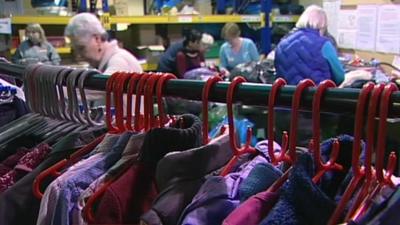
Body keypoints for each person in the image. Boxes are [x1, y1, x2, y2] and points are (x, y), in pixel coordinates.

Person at [274, 5, 344, 85]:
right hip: (317, 95)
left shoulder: (282, 44)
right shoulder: (324, 44)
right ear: (323, 25)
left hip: (288, 96)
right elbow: (340, 77)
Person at [64, 13, 142, 75]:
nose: (78, 55)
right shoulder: (98, 64)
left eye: (81, 48)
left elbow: (98, 93)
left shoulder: (119, 61)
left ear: (97, 39)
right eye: (75, 50)